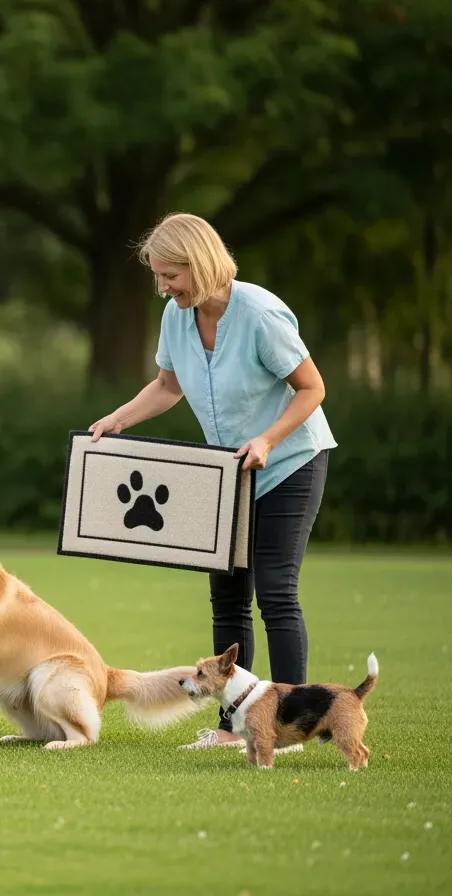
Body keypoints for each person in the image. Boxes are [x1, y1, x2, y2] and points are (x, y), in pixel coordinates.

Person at [88, 212, 336, 752]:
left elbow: (312, 389)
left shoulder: (260, 313)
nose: (162, 287)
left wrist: (268, 439)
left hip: (289, 461)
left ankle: (292, 726)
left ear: (198, 264)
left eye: (169, 275)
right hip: (225, 473)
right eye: (157, 276)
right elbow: (167, 385)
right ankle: (232, 729)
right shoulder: (177, 317)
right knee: (227, 600)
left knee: (276, 592)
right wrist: (117, 420)